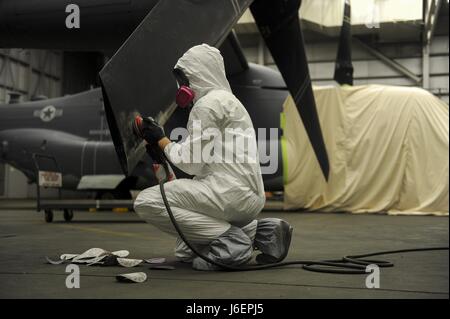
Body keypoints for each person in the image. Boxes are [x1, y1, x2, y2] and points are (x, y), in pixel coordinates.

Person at [134, 44, 293, 270]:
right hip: (247, 197)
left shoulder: (206, 105)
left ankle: (233, 243)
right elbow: (200, 162)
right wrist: (164, 150)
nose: (182, 86)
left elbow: (190, 163)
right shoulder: (228, 101)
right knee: (185, 250)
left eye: (184, 79)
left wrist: (161, 139)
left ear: (198, 74)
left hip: (227, 194)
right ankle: (264, 232)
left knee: (147, 201)